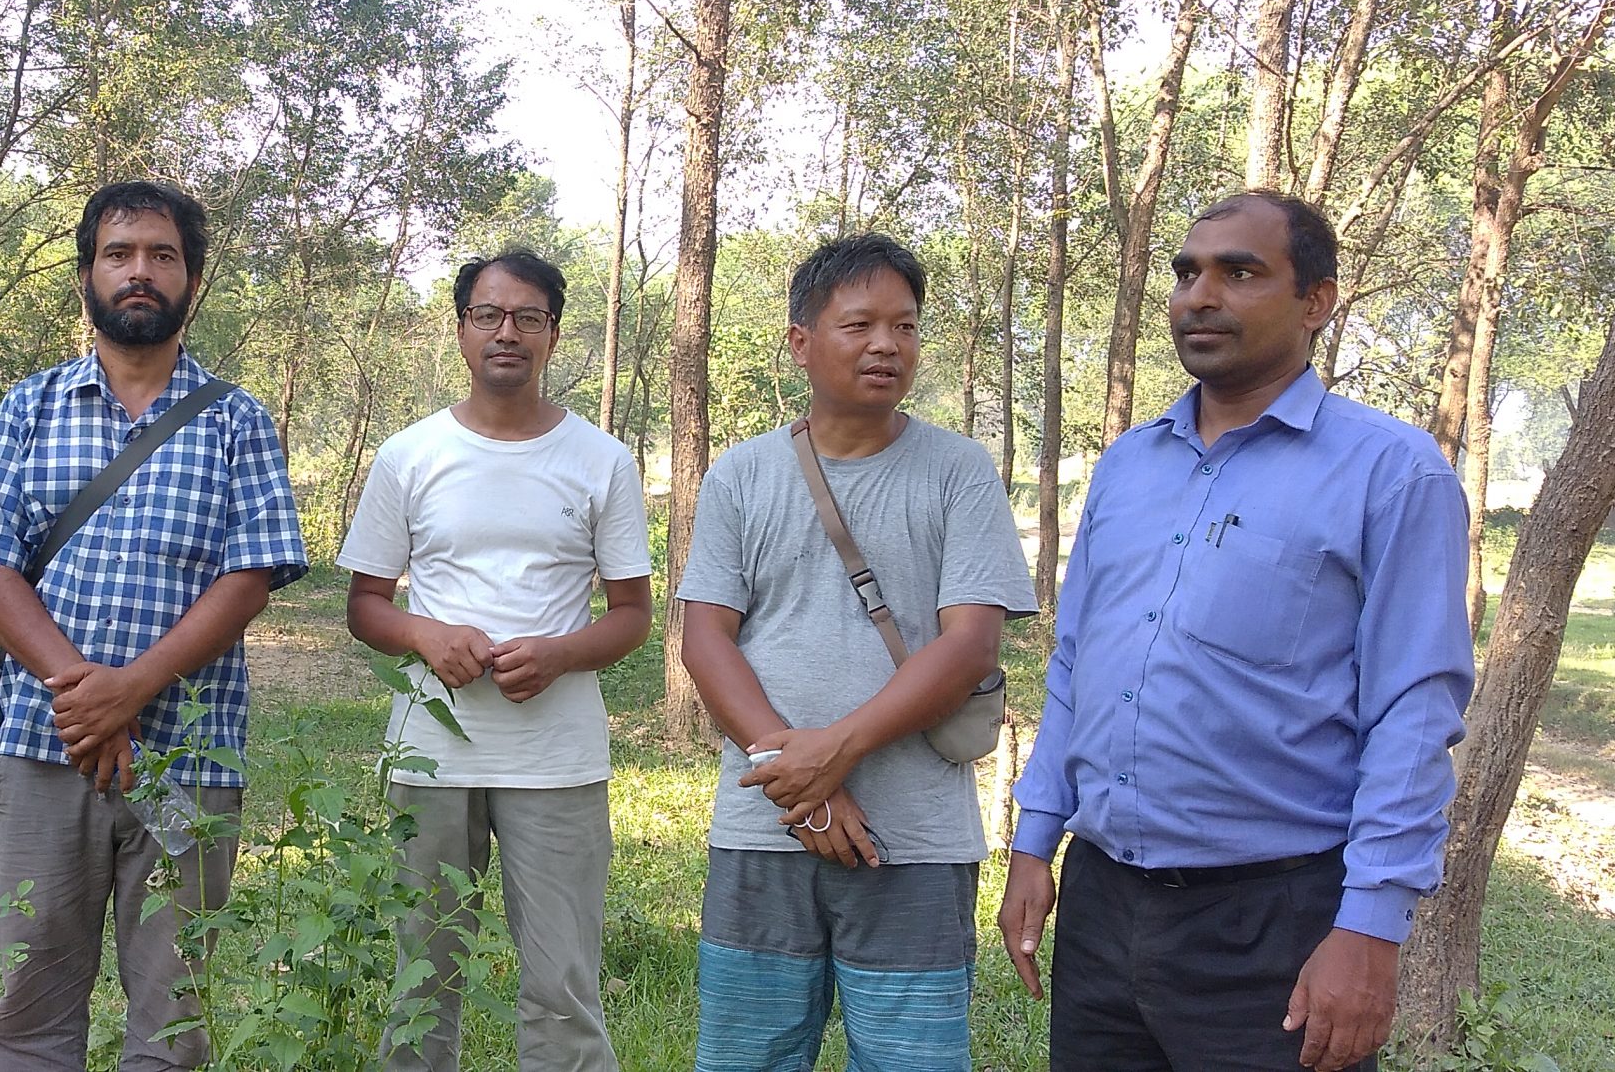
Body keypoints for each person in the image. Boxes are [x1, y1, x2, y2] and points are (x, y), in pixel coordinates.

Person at [998, 191, 1476, 1072]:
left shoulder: (1393, 473)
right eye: (1187, 272)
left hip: (1276, 925)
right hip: (1104, 910)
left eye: (1239, 272)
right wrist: (1035, 841)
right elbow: (1078, 666)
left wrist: (1369, 926)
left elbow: (1413, 711)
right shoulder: (1128, 465)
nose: (1199, 294)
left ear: (1316, 301)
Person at [0, 179, 308, 1072]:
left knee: (174, 1010)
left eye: (162, 255)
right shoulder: (29, 407)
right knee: (30, 999)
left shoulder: (237, 419)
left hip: (189, 751)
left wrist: (133, 689)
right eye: (119, 254)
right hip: (42, 739)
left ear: (192, 278)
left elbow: (251, 574)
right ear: (86, 277)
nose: (139, 272)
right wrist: (84, 693)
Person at [676, 232, 1036, 1071]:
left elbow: (969, 641)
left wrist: (832, 755)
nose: (887, 345)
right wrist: (796, 787)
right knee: (746, 1055)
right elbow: (706, 637)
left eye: (905, 327)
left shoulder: (959, 471)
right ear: (801, 341)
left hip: (915, 834)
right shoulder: (740, 476)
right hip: (765, 831)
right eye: (861, 324)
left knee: (911, 1057)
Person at [336, 249, 655, 1072]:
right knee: (421, 978)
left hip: (557, 761)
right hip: (431, 752)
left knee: (562, 985)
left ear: (553, 333)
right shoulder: (411, 454)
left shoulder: (601, 461)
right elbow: (366, 604)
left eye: (527, 317)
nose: (506, 332)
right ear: (461, 330)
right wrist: (425, 634)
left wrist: (556, 654)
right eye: (488, 314)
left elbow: (631, 618)